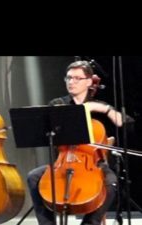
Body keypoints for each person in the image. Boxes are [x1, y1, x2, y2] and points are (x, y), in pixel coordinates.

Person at [25, 60, 129, 225]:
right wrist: (82, 110)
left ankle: (90, 222)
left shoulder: (100, 107)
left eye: (77, 78)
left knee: (111, 182)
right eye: (69, 78)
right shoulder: (58, 104)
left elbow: (126, 124)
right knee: (33, 177)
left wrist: (108, 110)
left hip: (94, 165)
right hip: (63, 162)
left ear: (89, 82)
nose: (71, 82)